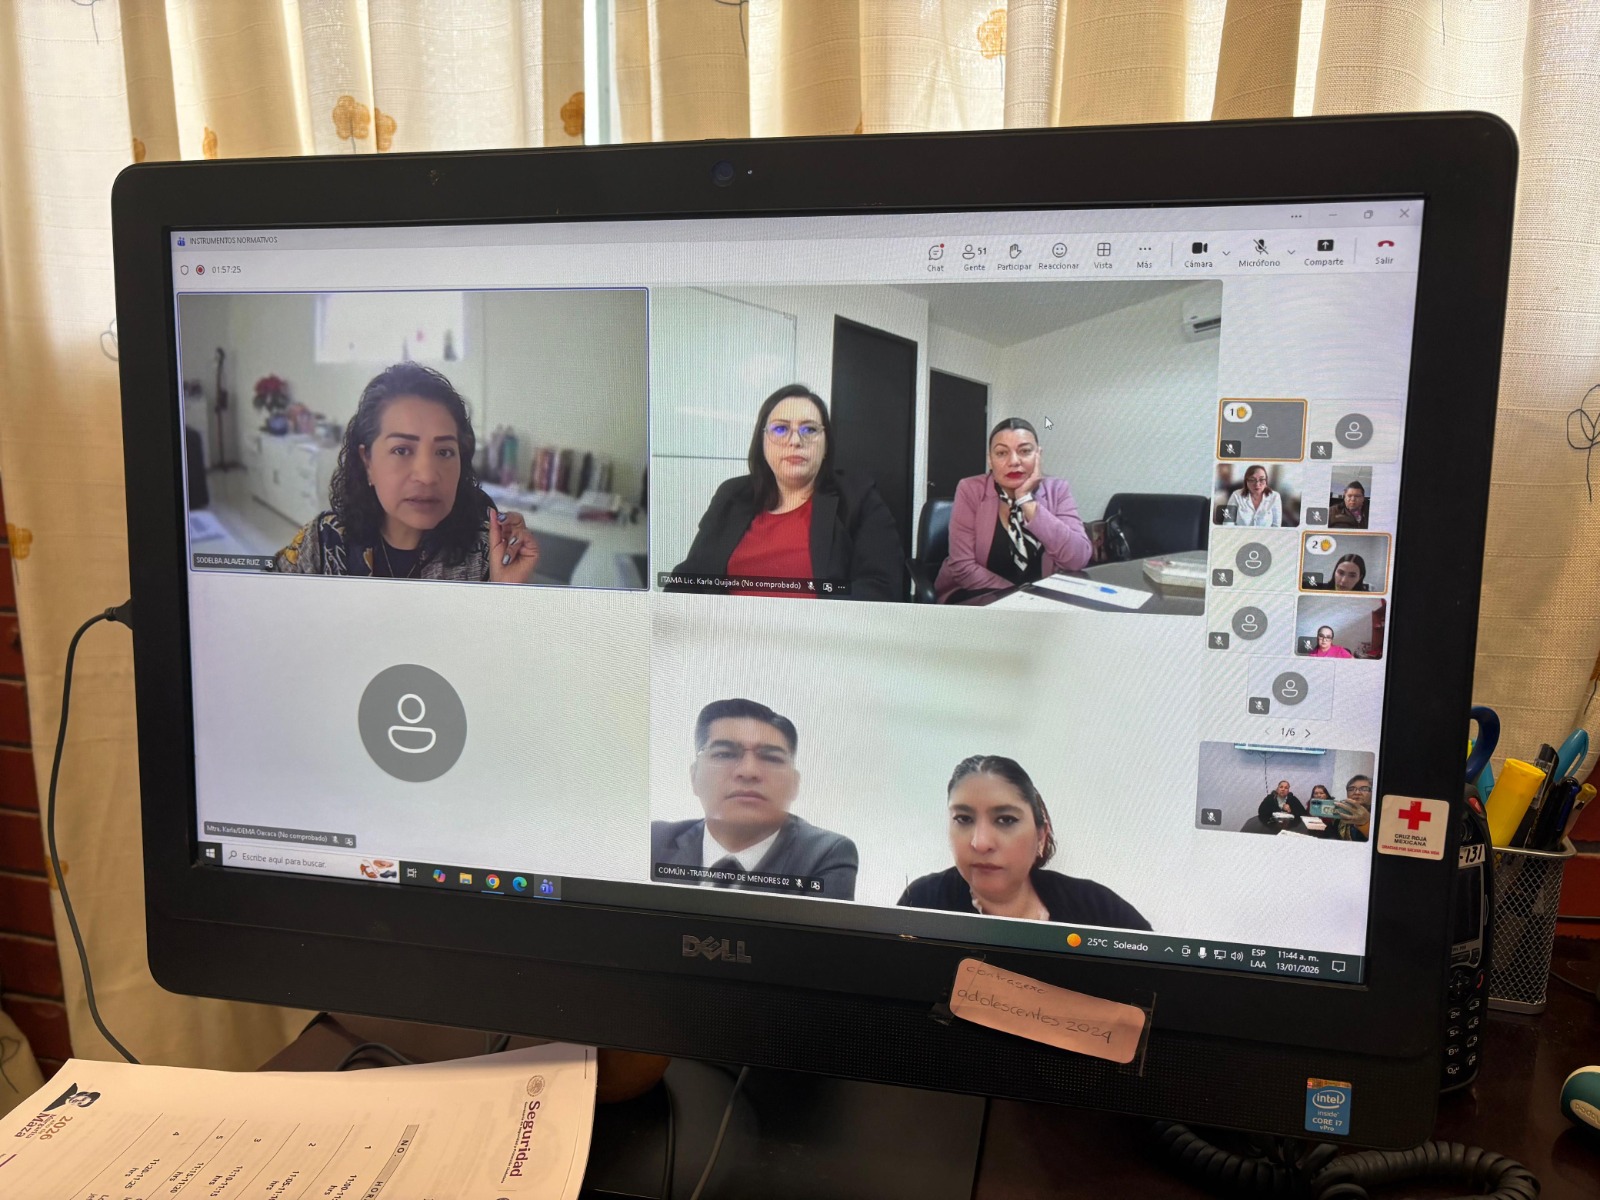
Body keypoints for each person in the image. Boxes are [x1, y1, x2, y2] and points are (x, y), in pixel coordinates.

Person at [275, 363, 538, 582]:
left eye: (444, 452)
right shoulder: (323, 542)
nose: (427, 476)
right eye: (401, 450)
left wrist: (504, 592)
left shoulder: (485, 554)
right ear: (368, 462)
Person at [669, 384, 902, 601]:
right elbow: (688, 579)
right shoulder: (732, 495)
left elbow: (881, 587)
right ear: (762, 443)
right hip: (731, 629)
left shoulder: (858, 497)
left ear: (825, 446)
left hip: (817, 631)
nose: (795, 441)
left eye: (809, 429)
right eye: (780, 429)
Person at [898, 755, 1149, 929]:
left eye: (1006, 820)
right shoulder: (922, 902)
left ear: (1041, 836)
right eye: (963, 819)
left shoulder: (1097, 909)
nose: (981, 843)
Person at [651, 698, 858, 899]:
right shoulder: (655, 840)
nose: (748, 771)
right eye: (725, 754)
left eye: (771, 758)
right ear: (694, 776)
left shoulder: (826, 854)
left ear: (794, 784)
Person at [934, 419, 1093, 603]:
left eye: (1024, 451)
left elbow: (1077, 559)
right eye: (1002, 453)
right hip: (977, 593)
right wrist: (1019, 596)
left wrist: (1026, 500)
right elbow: (963, 566)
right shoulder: (970, 489)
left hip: (1042, 601)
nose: (1014, 461)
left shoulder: (1057, 490)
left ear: (1038, 455)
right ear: (990, 459)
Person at [1326, 774, 1373, 841]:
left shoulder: (1380, 816)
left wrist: (1366, 824)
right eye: (1351, 789)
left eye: (1364, 789)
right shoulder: (1340, 816)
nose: (1357, 792)